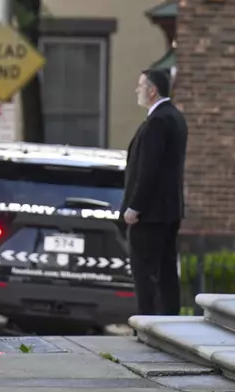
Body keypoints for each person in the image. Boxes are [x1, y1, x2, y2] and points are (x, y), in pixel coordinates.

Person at [122, 68, 187, 316]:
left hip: (150, 214)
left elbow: (149, 169)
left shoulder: (158, 121)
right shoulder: (175, 117)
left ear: (152, 90)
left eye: (140, 86)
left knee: (146, 274)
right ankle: (169, 322)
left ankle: (147, 324)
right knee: (166, 271)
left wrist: (134, 206)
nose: (137, 90)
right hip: (169, 211)